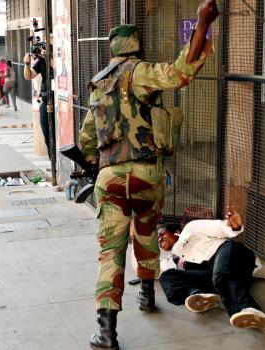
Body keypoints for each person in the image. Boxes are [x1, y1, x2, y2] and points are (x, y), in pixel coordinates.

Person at [77, 1, 219, 348]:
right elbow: (180, 73)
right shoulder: (140, 72)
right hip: (146, 174)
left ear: (111, 49)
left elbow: (86, 140)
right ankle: (146, 297)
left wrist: (98, 161)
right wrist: (202, 24)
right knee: (145, 234)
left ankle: (106, 332)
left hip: (109, 178)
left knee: (110, 252)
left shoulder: (97, 85)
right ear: (137, 46)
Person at [158, 207, 265, 331]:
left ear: (176, 231)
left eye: (161, 234)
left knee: (220, 275)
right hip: (225, 277)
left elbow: (220, 228)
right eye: (157, 240)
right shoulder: (175, 259)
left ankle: (249, 309)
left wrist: (233, 226)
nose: (159, 240)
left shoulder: (191, 228)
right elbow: (151, 269)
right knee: (167, 276)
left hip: (231, 253)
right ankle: (197, 296)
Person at [23, 50, 53, 159]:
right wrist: (26, 63)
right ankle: (53, 162)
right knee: (48, 135)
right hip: (46, 102)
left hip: (61, 102)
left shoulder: (61, 59)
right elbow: (28, 75)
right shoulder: (42, 62)